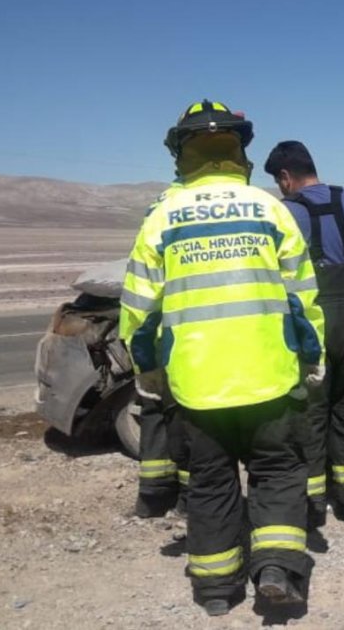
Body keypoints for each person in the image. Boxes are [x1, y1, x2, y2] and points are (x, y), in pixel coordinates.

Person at [120, 100, 326, 616]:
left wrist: (147, 370)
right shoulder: (271, 209)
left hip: (198, 383)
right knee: (277, 472)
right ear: (240, 150)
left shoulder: (162, 216)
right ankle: (275, 567)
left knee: (210, 482)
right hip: (271, 377)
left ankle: (214, 588)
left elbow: (140, 310)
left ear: (181, 152)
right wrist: (311, 357)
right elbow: (303, 297)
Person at [265, 141, 344, 527]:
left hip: (313, 320)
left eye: (278, 181)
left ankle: (313, 503)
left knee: (311, 411)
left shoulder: (284, 212)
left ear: (286, 178)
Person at [133, 179, 191, 519]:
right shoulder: (192, 202)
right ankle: (186, 498)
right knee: (187, 418)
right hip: (184, 331)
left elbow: (143, 278)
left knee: (154, 410)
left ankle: (151, 497)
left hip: (156, 325)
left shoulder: (162, 202)